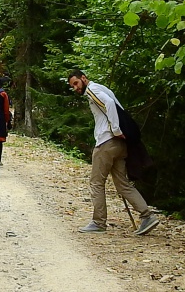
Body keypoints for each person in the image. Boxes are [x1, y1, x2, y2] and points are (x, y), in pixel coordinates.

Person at [68, 69, 160, 236]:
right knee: (123, 185)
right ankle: (147, 216)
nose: (75, 88)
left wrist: (116, 130)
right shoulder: (102, 88)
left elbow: (109, 104)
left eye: (76, 83)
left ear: (83, 78)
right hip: (120, 145)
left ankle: (98, 222)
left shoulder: (92, 90)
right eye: (72, 86)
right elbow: (117, 105)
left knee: (96, 183)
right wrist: (119, 134)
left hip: (106, 143)